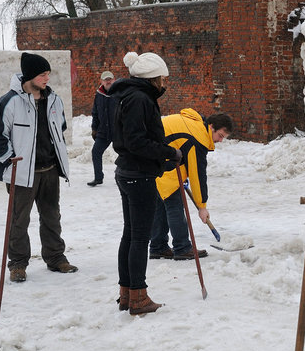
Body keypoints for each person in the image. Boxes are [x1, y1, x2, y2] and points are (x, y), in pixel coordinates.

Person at [0, 52, 77, 283]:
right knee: (19, 220)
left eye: (48, 73)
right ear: (30, 76)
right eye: (42, 74)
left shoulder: (54, 99)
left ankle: (56, 257)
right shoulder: (9, 101)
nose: (47, 78)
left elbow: (62, 126)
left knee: (51, 216)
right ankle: (17, 264)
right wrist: (10, 157)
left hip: (49, 170)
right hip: (21, 173)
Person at [109, 51, 181, 316]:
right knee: (139, 238)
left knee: (131, 235)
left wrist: (162, 158)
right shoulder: (139, 99)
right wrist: (168, 152)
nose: (164, 82)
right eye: (162, 77)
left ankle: (127, 293)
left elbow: (133, 140)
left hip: (129, 171)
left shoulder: (129, 96)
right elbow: (136, 141)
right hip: (138, 176)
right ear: (152, 78)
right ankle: (138, 297)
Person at [150, 111, 233, 260]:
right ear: (212, 127)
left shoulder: (196, 124)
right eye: (220, 135)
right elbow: (197, 174)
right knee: (174, 205)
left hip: (153, 159)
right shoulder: (198, 137)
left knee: (161, 205)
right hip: (161, 163)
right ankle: (182, 248)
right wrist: (202, 206)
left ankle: (158, 247)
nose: (220, 140)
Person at [88, 70, 118, 186]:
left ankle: (121, 175)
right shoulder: (99, 95)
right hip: (103, 131)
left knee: (124, 154)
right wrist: (94, 129)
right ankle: (98, 178)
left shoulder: (120, 93)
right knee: (96, 152)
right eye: (106, 79)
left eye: (110, 79)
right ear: (101, 81)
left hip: (118, 131)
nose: (108, 81)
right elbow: (95, 113)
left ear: (114, 80)